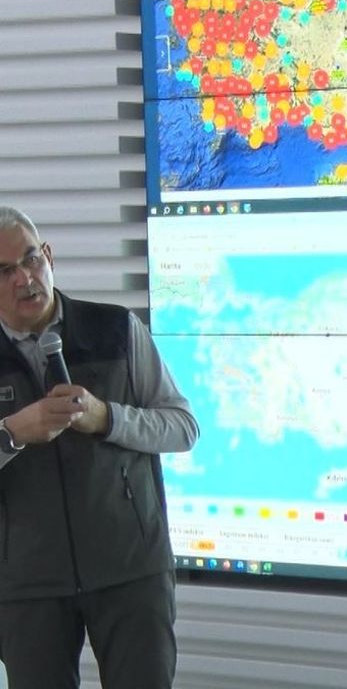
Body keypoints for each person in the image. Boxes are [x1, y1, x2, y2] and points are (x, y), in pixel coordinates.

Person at [0, 206, 198, 689]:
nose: (25, 279)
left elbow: (182, 426)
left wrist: (107, 418)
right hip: (26, 583)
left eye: (31, 259)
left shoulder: (116, 329)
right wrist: (13, 433)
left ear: (49, 256)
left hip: (131, 568)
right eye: (4, 271)